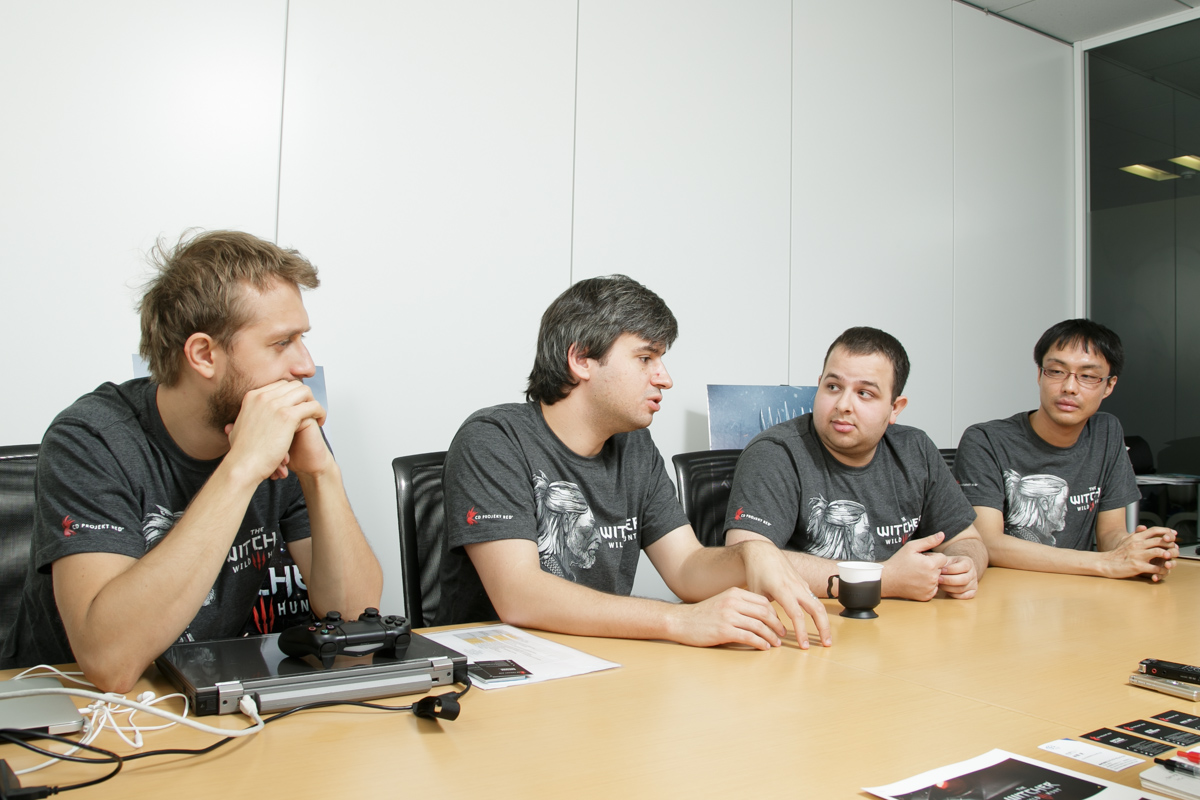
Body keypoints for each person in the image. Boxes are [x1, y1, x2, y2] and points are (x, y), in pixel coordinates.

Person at [2, 230, 382, 692]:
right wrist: (242, 469)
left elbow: (355, 617)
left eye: (302, 339)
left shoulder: (280, 426)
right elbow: (110, 664)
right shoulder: (91, 440)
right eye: (282, 343)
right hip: (78, 711)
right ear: (203, 355)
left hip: (203, 693)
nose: (305, 365)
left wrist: (320, 474)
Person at [438, 275, 832, 650]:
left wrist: (750, 554)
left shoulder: (634, 446)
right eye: (645, 358)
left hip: (599, 660)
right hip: (500, 666)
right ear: (581, 358)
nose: (665, 378)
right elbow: (518, 594)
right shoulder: (493, 439)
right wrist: (678, 620)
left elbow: (686, 567)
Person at [724, 327, 988, 601]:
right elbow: (744, 562)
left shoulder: (915, 449)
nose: (843, 405)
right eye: (833, 387)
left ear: (895, 408)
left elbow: (967, 540)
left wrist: (964, 566)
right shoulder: (774, 453)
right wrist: (883, 578)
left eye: (864, 393)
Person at [954, 319, 1178, 579]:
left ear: (1109, 385)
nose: (1070, 387)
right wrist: (1106, 563)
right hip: (1005, 592)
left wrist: (1138, 553)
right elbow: (988, 543)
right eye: (1057, 371)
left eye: (1088, 376)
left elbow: (1110, 533)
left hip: (1077, 590)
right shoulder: (985, 440)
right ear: (1040, 375)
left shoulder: (1106, 432)